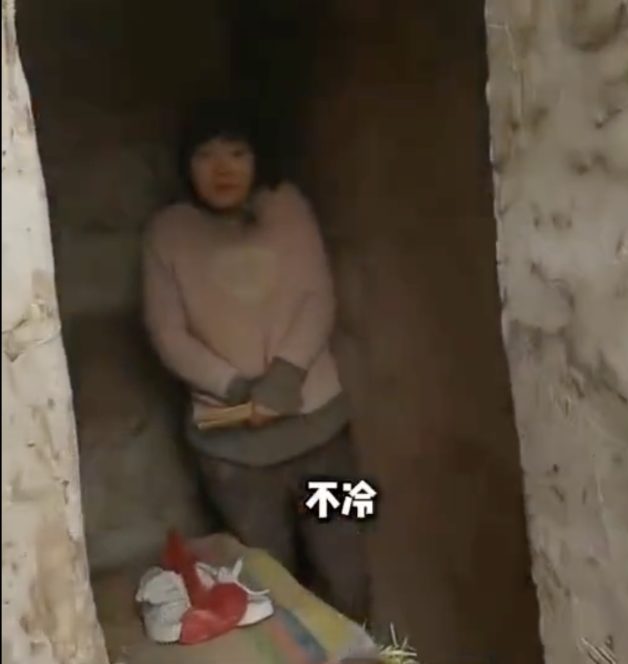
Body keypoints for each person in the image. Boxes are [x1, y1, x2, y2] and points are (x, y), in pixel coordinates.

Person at [141, 98, 370, 623]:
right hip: (232, 457)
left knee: (348, 566)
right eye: (206, 155)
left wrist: (285, 378)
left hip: (321, 433)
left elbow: (318, 295)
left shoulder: (289, 206)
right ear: (185, 164)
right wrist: (238, 389)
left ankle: (363, 649)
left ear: (259, 157)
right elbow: (168, 334)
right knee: (266, 583)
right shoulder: (166, 233)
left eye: (237, 153)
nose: (222, 169)